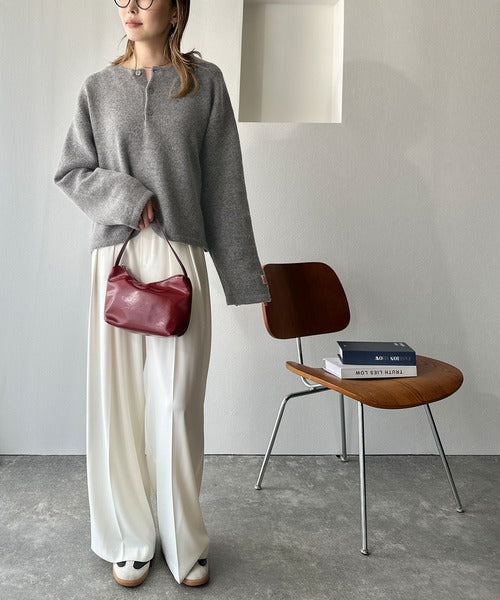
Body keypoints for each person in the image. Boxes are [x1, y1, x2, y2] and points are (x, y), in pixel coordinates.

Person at [53, 0, 271, 588]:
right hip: (116, 258)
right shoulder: (97, 89)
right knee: (117, 406)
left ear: (176, 9)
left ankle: (184, 541)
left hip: (182, 258)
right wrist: (129, 198)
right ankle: (129, 538)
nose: (131, 6)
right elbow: (72, 171)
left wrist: (244, 278)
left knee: (177, 406)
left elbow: (225, 186)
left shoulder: (205, 85)